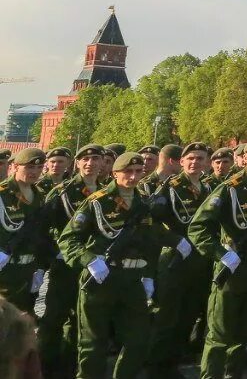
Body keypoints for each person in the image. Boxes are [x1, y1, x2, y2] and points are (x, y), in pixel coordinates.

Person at [58, 150, 161, 379]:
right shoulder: (97, 202)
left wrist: (149, 275)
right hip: (101, 278)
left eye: (138, 172)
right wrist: (88, 260)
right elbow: (68, 239)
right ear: (114, 173)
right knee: (93, 343)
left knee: (138, 339)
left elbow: (151, 243)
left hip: (132, 280)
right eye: (127, 172)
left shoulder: (144, 203)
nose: (133, 177)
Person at [188, 136, 247, 379]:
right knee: (219, 335)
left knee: (244, 333)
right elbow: (198, 228)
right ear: (243, 159)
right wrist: (220, 253)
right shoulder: (230, 188)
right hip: (234, 269)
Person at [39, 142, 105, 377]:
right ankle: (45, 365)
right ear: (76, 164)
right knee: (54, 316)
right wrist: (51, 255)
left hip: (95, 265)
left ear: (102, 163)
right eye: (85, 160)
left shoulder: (107, 191)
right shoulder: (62, 192)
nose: (90, 164)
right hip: (66, 263)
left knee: (82, 318)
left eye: (95, 159)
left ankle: (69, 365)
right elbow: (41, 229)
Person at [148, 141, 213, 377]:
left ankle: (172, 363)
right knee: (167, 316)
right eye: (191, 158)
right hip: (174, 258)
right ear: (181, 162)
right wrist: (175, 240)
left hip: (199, 260)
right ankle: (156, 367)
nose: (195, 162)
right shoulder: (169, 188)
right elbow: (151, 223)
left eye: (200, 158)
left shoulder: (207, 189)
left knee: (188, 314)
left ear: (207, 163)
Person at [0, 149, 48, 314]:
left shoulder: (40, 196)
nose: (34, 172)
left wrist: (40, 268)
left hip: (27, 271)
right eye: (29, 168)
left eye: (39, 168)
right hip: (4, 272)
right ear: (14, 166)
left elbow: (42, 236)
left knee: (21, 324)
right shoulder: (2, 194)